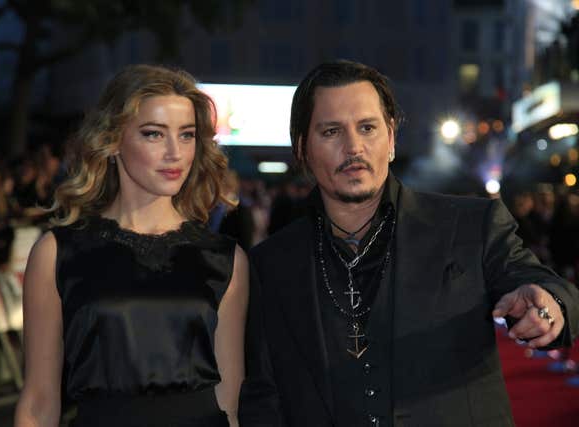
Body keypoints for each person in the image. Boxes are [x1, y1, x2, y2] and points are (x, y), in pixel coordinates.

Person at [239, 60, 579, 427]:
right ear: (302, 148)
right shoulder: (269, 265)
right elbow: (262, 396)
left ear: (391, 138)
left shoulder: (469, 225)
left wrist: (550, 304)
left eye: (367, 128)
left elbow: (532, 278)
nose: (354, 147)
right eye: (331, 131)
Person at [14, 64, 248, 427]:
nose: (175, 152)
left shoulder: (224, 258)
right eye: (154, 134)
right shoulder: (57, 253)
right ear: (112, 140)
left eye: (186, 135)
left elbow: (230, 404)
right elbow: (38, 404)